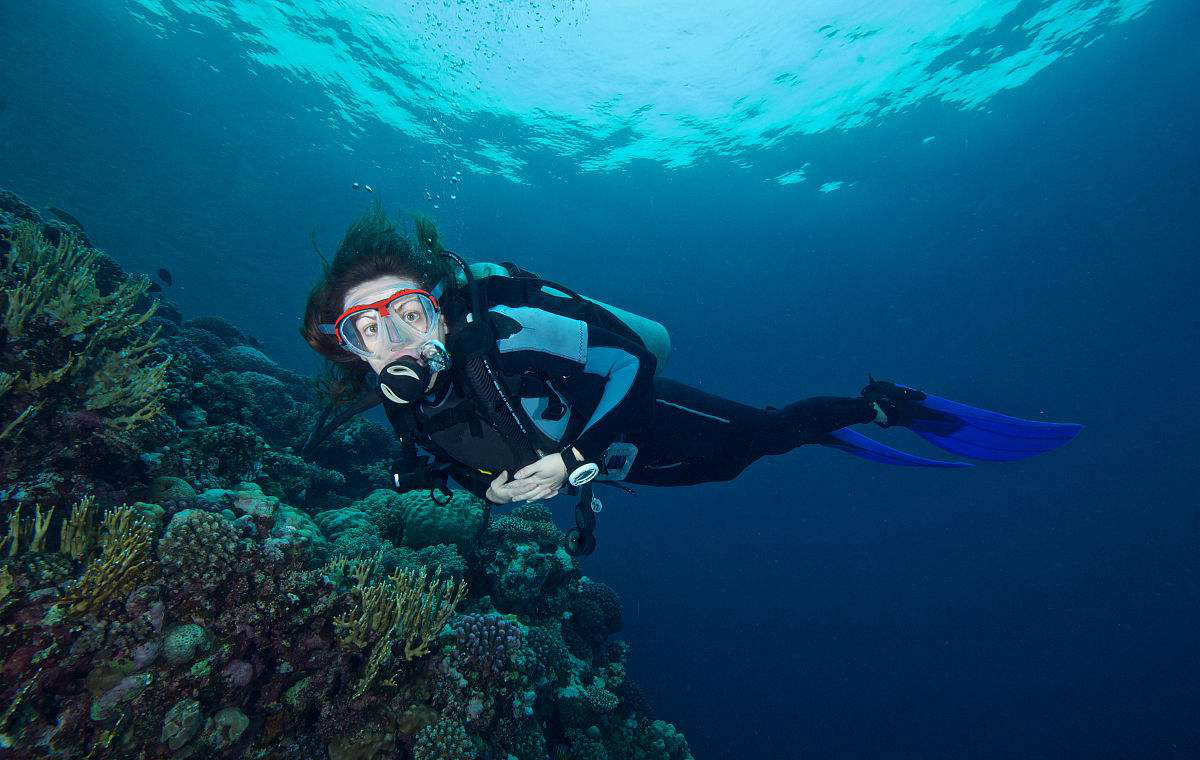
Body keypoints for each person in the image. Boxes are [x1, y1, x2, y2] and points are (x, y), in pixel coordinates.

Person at [302, 207, 1081, 551]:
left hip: (637, 420)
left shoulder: (505, 328)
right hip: (622, 465)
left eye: (408, 313)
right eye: (368, 329)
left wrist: (576, 457)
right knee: (728, 468)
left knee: (756, 440)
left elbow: (629, 361)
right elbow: (452, 471)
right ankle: (841, 422)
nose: (396, 342)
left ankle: (881, 405)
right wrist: (491, 494)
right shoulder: (400, 403)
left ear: (437, 307)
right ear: (349, 350)